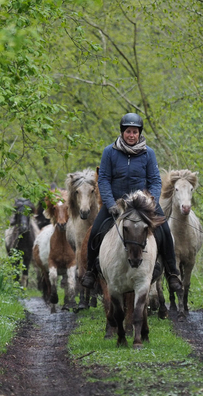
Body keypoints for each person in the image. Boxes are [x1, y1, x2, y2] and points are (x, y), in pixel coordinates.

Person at [81, 112, 183, 292]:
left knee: (165, 230)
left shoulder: (148, 153)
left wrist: (150, 201)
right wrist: (110, 203)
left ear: (139, 133)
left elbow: (155, 180)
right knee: (95, 230)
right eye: (128, 131)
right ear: (122, 132)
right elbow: (103, 179)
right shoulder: (109, 152)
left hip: (143, 204)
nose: (131, 135)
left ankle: (172, 273)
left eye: (135, 132)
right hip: (117, 204)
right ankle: (90, 271)